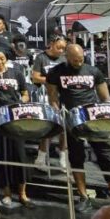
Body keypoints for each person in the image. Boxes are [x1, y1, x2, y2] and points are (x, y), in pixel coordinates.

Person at [46, 44, 110, 213]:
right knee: (76, 158)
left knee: (107, 157)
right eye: (75, 60)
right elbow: (52, 97)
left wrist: (108, 116)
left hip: (94, 118)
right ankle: (83, 196)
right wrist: (57, 111)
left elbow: (105, 98)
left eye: (81, 59)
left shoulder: (93, 71)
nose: (78, 63)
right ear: (66, 56)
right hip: (72, 119)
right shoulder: (56, 72)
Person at [0, 52, 32, 209]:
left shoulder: (16, 73)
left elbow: (25, 94)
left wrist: (18, 101)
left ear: (6, 59)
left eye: (2, 59)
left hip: (15, 117)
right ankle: (7, 193)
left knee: (19, 154)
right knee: (1, 154)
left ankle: (23, 193)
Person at [30, 36, 66, 166]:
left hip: (63, 95)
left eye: (63, 48)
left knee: (64, 127)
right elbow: (35, 77)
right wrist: (51, 80)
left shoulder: (64, 58)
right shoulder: (41, 58)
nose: (61, 51)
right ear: (51, 44)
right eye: (58, 47)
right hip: (47, 95)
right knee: (50, 127)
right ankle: (41, 157)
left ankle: (63, 155)